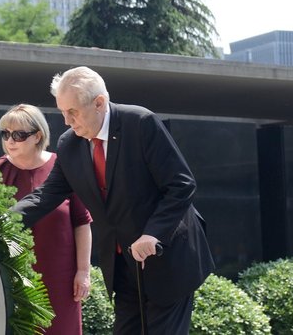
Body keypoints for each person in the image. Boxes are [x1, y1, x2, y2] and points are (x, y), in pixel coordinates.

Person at [13, 67, 214, 335]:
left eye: (72, 111)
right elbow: (45, 195)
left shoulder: (140, 123)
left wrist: (153, 234)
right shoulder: (69, 144)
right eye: (62, 111)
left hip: (168, 259)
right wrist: (4, 220)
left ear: (99, 103)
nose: (66, 120)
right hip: (123, 267)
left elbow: (181, 184)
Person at [0, 104, 92, 335]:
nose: (10, 140)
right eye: (5, 134)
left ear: (37, 135)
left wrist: (83, 272)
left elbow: (82, 222)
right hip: (12, 277)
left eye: (18, 134)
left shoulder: (64, 168)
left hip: (61, 278)